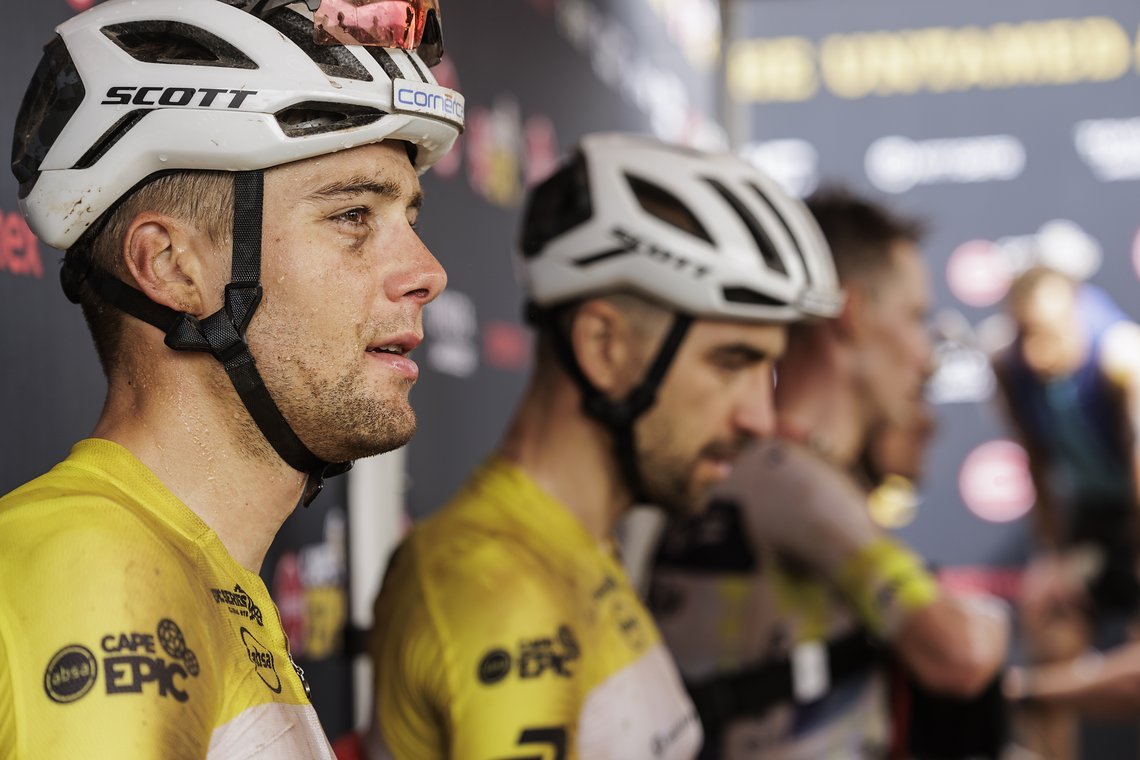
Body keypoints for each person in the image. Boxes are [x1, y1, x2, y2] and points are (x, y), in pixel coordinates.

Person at [0, 0, 461, 756]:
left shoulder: (191, 570)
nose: (427, 272)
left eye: (409, 216)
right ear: (172, 268)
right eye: (352, 215)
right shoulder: (98, 571)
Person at [367, 133, 844, 759]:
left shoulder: (569, 544)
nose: (760, 417)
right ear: (603, 347)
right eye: (732, 362)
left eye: (769, 371)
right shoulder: (500, 585)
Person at [649, 189, 1010, 759]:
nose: (926, 355)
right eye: (915, 319)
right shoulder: (788, 476)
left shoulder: (772, 466)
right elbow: (959, 654)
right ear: (854, 313)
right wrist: (994, 616)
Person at [991, 267, 1140, 758]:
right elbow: (1037, 460)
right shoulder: (1007, 363)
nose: (1038, 353)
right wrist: (1053, 555)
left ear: (1075, 315)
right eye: (1026, 335)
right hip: (1094, 515)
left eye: (1049, 336)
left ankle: (1024, 694)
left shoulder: (1123, 358)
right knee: (1051, 625)